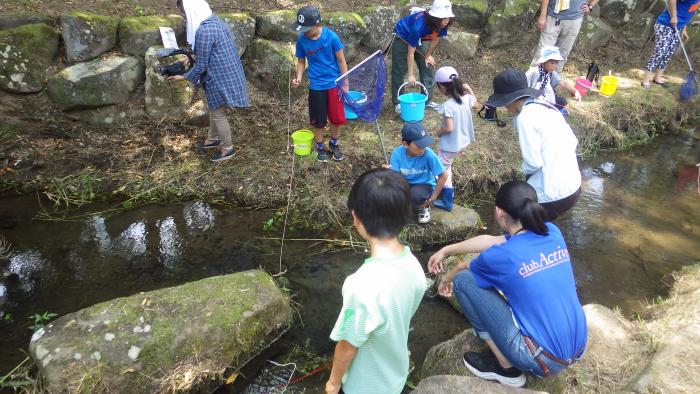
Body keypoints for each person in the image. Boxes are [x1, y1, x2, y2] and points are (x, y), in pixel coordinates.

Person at [427, 180, 587, 388]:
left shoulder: (503, 256)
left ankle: (505, 365)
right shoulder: (551, 231)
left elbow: (464, 267)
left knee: (464, 281)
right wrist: (446, 249)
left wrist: (446, 278)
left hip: (542, 359)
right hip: (577, 347)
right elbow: (490, 240)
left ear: (499, 212)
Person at [326, 168, 427, 394]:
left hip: (363, 387)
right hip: (395, 377)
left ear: (355, 217)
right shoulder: (414, 266)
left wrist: (333, 383)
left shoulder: (360, 285)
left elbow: (347, 346)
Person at [486, 69, 581, 221]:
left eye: (503, 103)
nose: (505, 107)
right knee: (540, 230)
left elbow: (533, 163)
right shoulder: (548, 108)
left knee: (516, 226)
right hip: (573, 187)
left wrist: (520, 172)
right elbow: (573, 141)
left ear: (510, 100)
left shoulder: (525, 118)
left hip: (551, 195)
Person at [168, 0, 249, 162]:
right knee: (214, 108)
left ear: (191, 11)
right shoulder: (215, 21)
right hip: (228, 72)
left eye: (184, 14)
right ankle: (212, 139)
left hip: (219, 76)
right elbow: (207, 52)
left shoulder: (204, 30)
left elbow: (202, 65)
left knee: (218, 113)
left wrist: (183, 77)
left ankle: (228, 149)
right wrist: (188, 59)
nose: (184, 17)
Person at [291, 6, 349, 162]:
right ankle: (320, 146)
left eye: (306, 28)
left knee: (336, 118)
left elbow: (341, 60)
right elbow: (301, 62)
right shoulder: (302, 40)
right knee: (318, 119)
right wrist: (298, 77)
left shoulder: (331, 37)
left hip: (334, 84)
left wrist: (345, 83)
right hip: (316, 86)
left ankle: (334, 143)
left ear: (317, 25)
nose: (303, 32)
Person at [391, 0, 454, 113]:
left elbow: (436, 39)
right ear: (435, 17)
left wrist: (427, 55)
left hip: (421, 38)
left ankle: (427, 100)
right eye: (443, 18)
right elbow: (410, 53)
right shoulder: (419, 26)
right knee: (399, 70)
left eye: (448, 17)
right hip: (402, 36)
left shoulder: (443, 23)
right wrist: (411, 75)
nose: (446, 21)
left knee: (428, 66)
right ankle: (398, 102)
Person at [433, 66, 478, 211]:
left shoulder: (448, 106)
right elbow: (475, 104)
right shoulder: (465, 99)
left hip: (450, 145)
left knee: (440, 170)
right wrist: (469, 90)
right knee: (447, 167)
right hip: (461, 142)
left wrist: (439, 132)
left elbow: (449, 128)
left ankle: (446, 201)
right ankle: (447, 196)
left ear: (442, 87)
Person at [389, 121, 447, 224]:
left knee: (415, 196)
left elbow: (443, 175)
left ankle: (424, 207)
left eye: (424, 144)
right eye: (419, 145)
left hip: (424, 184)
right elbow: (395, 177)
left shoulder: (428, 154)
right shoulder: (397, 153)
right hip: (405, 183)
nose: (423, 149)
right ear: (405, 144)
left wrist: (433, 197)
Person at [641, 0, 700, 89]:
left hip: (677, 27)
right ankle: (645, 79)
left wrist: (684, 29)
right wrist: (674, 16)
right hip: (665, 24)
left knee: (667, 54)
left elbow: (687, 12)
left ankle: (657, 78)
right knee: (660, 52)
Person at [531, 0, 599, 72]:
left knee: (563, 53)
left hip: (574, 19)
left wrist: (590, 6)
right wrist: (543, 15)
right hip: (553, 16)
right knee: (543, 51)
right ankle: (531, 78)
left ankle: (554, 80)